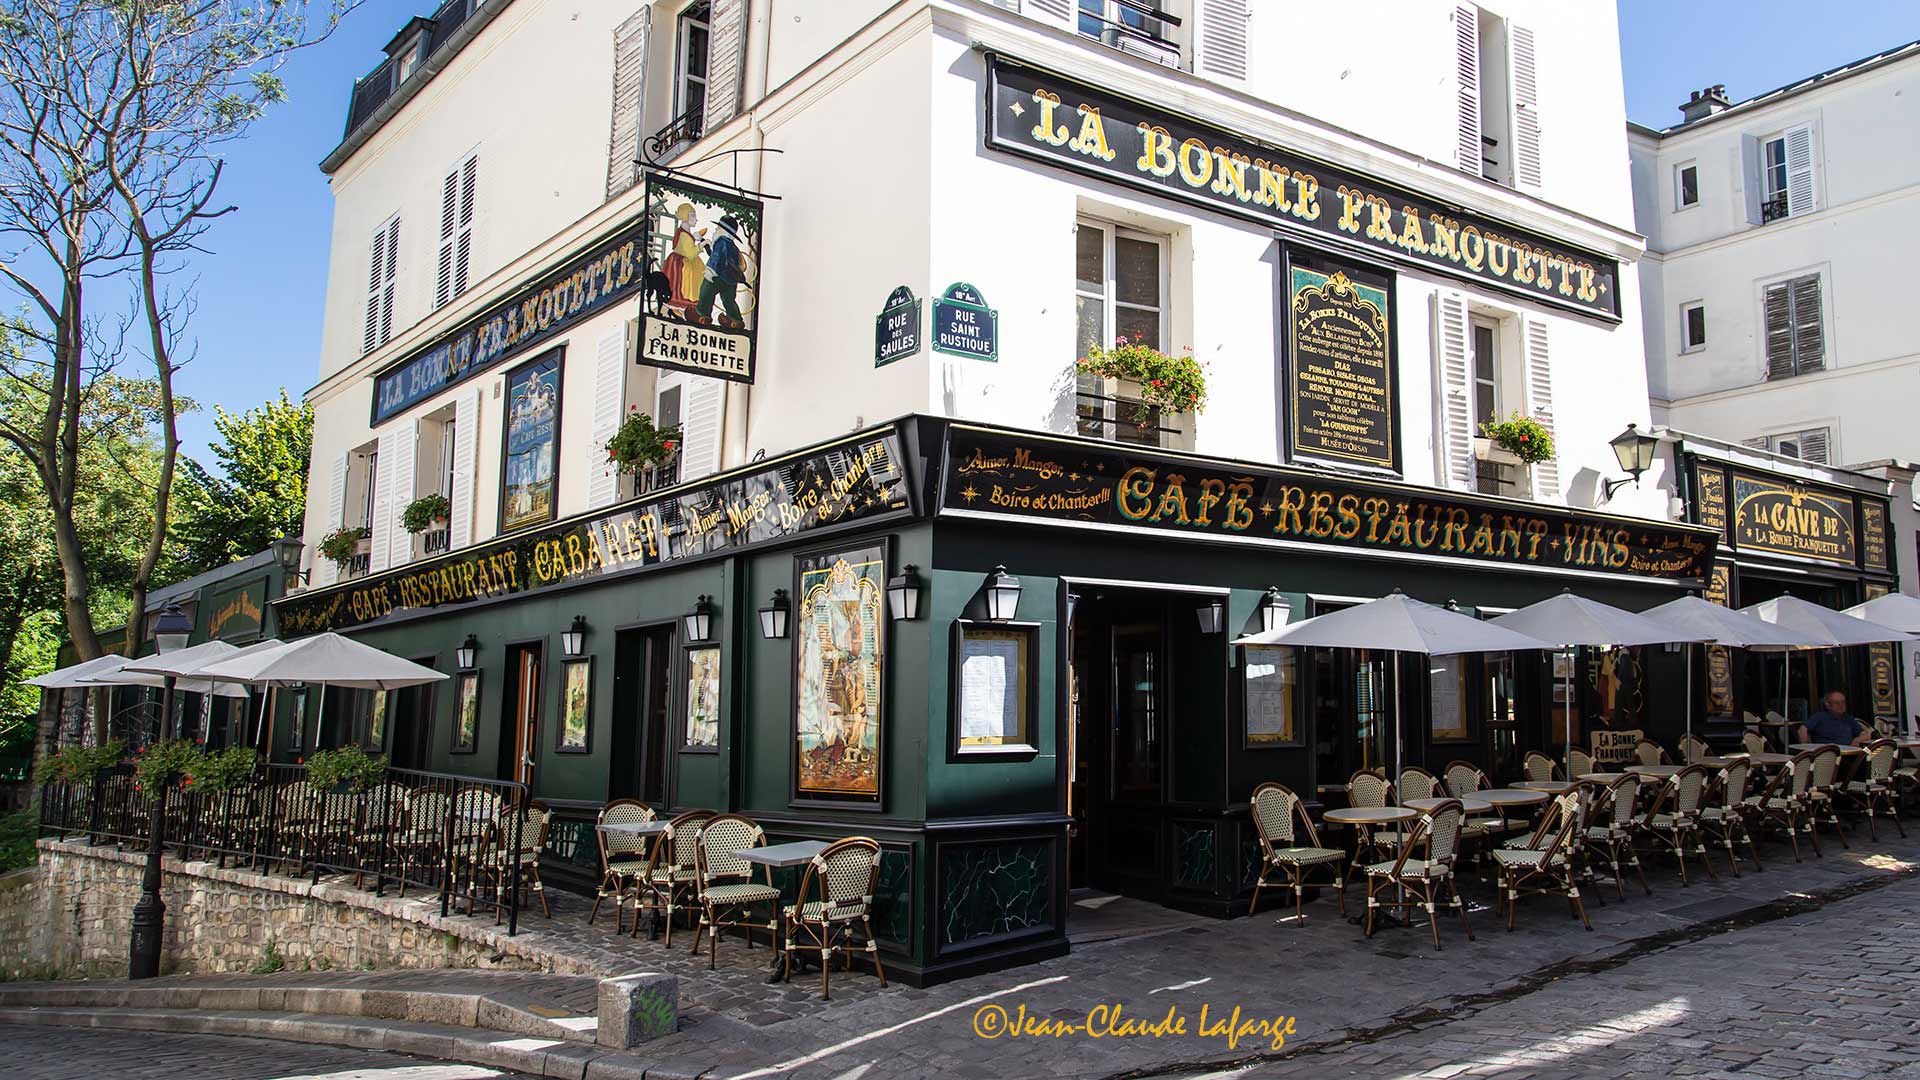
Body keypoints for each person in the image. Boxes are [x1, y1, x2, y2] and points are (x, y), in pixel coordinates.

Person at [1797, 690, 1870, 747]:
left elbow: (1865, 734)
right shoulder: (1820, 717)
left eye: (1843, 702)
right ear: (1828, 705)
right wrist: (1806, 748)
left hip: (1848, 754)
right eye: (1837, 703)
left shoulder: (1848, 719)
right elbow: (1802, 730)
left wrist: (1856, 741)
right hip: (1826, 755)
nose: (1841, 705)